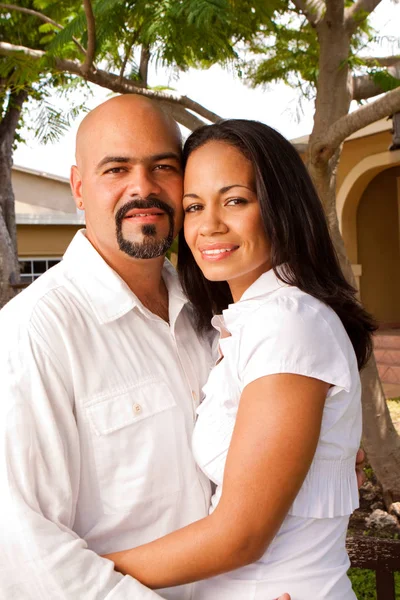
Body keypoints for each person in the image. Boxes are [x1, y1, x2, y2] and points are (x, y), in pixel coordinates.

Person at [0, 96, 291, 600]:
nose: (144, 188)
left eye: (163, 167)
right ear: (78, 187)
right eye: (117, 169)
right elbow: (23, 550)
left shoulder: (213, 313)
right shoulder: (34, 333)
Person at [102, 119, 375, 599]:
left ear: (278, 207)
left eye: (234, 200)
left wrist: (85, 572)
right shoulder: (249, 321)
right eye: (193, 206)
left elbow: (241, 537)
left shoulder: (287, 323)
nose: (209, 225)